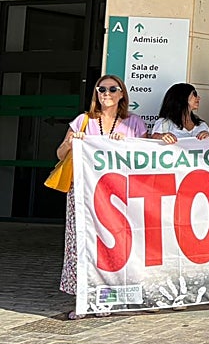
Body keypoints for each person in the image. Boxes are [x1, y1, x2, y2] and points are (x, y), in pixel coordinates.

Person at [57, 75, 147, 317]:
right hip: (85, 193)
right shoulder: (82, 121)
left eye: (112, 89)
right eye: (102, 89)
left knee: (112, 245)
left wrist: (127, 143)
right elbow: (59, 153)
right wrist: (71, 143)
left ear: (121, 94)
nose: (106, 93)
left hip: (119, 196)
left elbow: (146, 158)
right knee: (81, 245)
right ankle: (83, 300)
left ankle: (106, 298)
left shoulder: (134, 123)